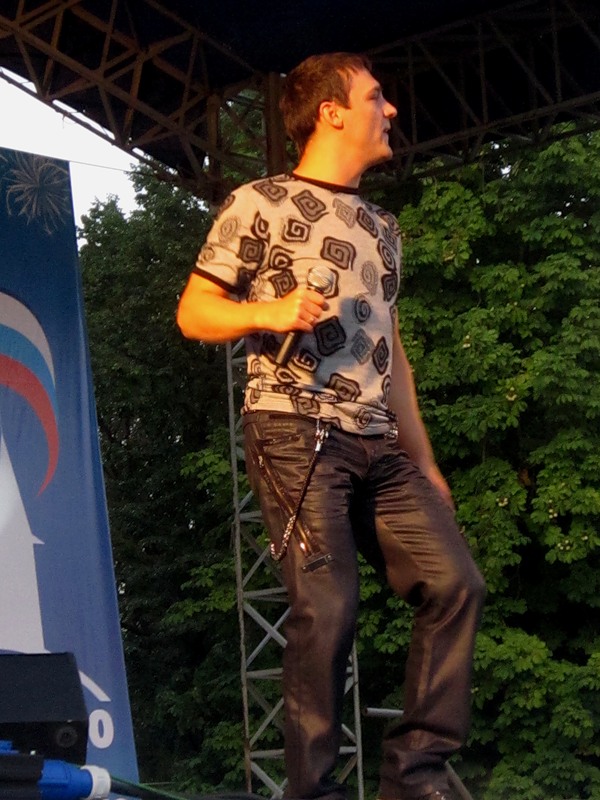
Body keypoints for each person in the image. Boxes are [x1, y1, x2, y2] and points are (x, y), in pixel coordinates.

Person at [177, 52, 485, 800]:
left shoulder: (383, 228)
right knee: (328, 605)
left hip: (379, 443)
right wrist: (270, 310)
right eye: (376, 97)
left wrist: (426, 464)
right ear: (331, 111)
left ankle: (416, 776)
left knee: (456, 583)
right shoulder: (259, 202)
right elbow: (194, 312)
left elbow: (393, 355)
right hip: (294, 428)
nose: (392, 110)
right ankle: (313, 791)